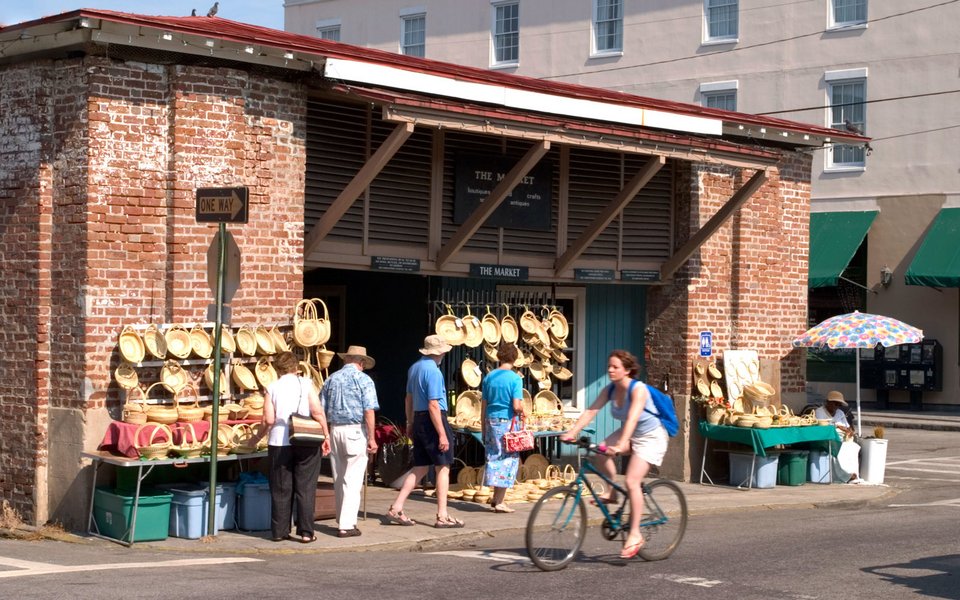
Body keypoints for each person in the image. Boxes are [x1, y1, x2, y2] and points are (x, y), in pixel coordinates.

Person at [561, 349, 669, 560]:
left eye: (615, 367)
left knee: (632, 481)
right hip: (631, 433)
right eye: (609, 366)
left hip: (651, 437)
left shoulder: (638, 390)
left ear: (627, 370)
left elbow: (632, 418)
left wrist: (620, 445)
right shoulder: (610, 390)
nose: (610, 370)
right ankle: (611, 492)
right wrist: (572, 432)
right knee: (600, 452)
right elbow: (591, 411)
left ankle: (635, 534)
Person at [386, 334, 464, 529]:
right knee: (443, 466)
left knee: (420, 467)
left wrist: (410, 423)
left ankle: (397, 507)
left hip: (418, 419)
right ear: (440, 352)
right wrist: (442, 434)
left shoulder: (414, 368)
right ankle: (442, 515)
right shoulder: (434, 372)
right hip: (433, 420)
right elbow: (433, 404)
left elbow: (408, 399)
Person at [261, 351, 330, 543]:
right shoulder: (306, 384)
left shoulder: (272, 387)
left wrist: (256, 437)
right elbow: (317, 411)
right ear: (296, 367)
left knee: (280, 488)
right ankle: (306, 532)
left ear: (277, 369)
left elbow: (269, 419)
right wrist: (326, 435)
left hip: (279, 441)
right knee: (306, 488)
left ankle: (279, 532)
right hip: (306, 439)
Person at [321, 345, 379, 538]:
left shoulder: (331, 379)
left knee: (339, 478)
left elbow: (321, 409)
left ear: (346, 359)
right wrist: (372, 438)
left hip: (335, 430)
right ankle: (346, 525)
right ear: (361, 362)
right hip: (355, 430)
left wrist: (325, 434)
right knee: (352, 480)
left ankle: (342, 518)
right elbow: (369, 411)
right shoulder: (364, 380)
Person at [481, 341, 527, 513]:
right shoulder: (515, 379)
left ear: (499, 356)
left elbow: (483, 406)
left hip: (490, 420)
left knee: (494, 456)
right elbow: (516, 406)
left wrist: (483, 427)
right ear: (514, 358)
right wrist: (523, 409)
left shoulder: (489, 377)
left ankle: (495, 498)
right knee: (507, 459)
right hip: (506, 422)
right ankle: (500, 502)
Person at [815, 390, 861, 483]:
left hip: (843, 438)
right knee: (839, 450)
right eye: (835, 404)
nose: (837, 407)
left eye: (839, 405)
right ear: (828, 402)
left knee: (853, 447)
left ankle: (853, 472)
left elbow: (847, 427)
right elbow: (822, 427)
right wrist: (837, 426)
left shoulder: (840, 413)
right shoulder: (819, 412)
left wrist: (849, 431)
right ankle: (846, 475)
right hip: (828, 438)